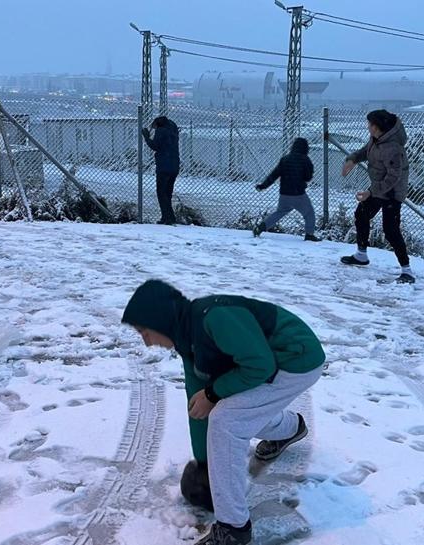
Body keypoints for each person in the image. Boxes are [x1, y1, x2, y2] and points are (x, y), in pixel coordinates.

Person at [122, 280, 325, 545]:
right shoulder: (187, 341)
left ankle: (233, 529)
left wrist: (213, 394)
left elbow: (259, 366)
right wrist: (204, 465)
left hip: (296, 357)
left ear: (159, 320)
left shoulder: (214, 318)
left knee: (228, 419)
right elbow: (198, 407)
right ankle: (291, 428)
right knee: (236, 412)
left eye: (144, 332)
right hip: (270, 360)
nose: (147, 343)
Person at [339, 109, 415, 284]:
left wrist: (371, 192)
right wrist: (352, 159)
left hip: (392, 192)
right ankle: (361, 255)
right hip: (378, 188)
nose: (368, 127)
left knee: (391, 229)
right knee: (361, 214)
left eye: (370, 124)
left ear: (377, 127)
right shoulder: (377, 139)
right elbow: (366, 151)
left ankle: (407, 271)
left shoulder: (393, 148)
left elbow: (393, 177)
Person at [253, 137, 321, 242]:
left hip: (284, 194)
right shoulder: (306, 160)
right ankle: (309, 235)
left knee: (279, 212)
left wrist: (263, 186)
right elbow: (308, 177)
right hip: (298, 194)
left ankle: (260, 228)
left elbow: (274, 175)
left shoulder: (285, 159)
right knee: (309, 213)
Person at [142, 116, 180, 225]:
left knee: (161, 193)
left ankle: (168, 218)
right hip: (174, 165)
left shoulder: (161, 131)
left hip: (163, 166)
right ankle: (168, 217)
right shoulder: (173, 130)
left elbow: (155, 146)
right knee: (168, 193)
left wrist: (147, 137)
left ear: (158, 124)